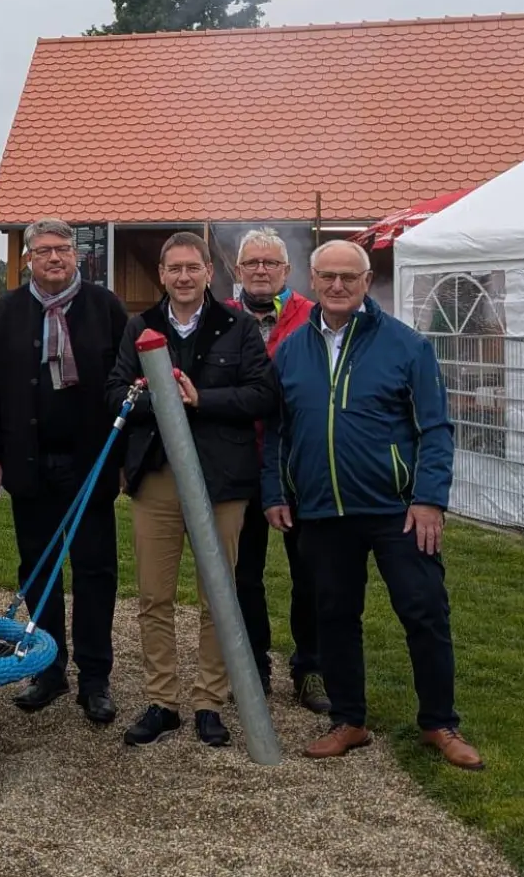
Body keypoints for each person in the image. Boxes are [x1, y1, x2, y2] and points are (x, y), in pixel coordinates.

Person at [263, 239, 483, 770]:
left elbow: (435, 428)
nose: (338, 286)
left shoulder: (407, 346)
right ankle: (349, 720)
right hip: (320, 510)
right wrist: (274, 491)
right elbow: (275, 431)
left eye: (349, 277)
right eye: (328, 277)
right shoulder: (291, 349)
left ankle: (439, 722)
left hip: (397, 511)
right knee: (334, 615)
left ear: (366, 282)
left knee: (424, 611)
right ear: (312, 280)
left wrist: (429, 499)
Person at [106, 231, 279, 748]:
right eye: (174, 268)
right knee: (154, 595)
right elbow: (115, 391)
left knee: (218, 596)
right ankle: (163, 700)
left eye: (192, 267)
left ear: (209, 272)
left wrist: (203, 398)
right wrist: (153, 398)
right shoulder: (141, 326)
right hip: (157, 477)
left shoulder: (239, 327)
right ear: (161, 274)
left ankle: (209, 701)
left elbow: (262, 394)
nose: (183, 277)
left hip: (220, 480)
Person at [0, 218, 128, 724]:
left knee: (95, 569)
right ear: (28, 261)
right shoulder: (8, 312)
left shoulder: (106, 308)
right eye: (44, 251)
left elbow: (129, 385)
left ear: (77, 256)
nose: (54, 258)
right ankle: (48, 667)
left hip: (90, 464)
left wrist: (122, 459)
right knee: (38, 569)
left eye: (62, 249)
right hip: (29, 464)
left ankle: (96, 677)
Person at [222, 227, 329, 714]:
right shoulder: (218, 319)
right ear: (236, 270)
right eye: (252, 263)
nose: (261, 271)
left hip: (299, 465)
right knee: (245, 574)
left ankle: (311, 668)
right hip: (237, 465)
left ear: (288, 272)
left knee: (310, 571)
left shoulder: (315, 319)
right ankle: (253, 667)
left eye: (270, 263)